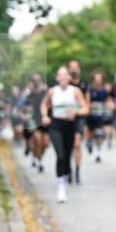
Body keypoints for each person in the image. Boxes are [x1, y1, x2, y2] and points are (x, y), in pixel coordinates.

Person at [40, 66, 89, 203]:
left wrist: (76, 112)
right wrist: (45, 115)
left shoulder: (75, 91)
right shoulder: (52, 91)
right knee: (60, 155)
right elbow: (44, 105)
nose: (62, 78)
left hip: (70, 126)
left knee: (67, 155)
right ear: (57, 78)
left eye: (65, 75)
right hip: (56, 125)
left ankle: (66, 175)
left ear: (69, 77)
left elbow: (85, 108)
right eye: (60, 75)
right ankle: (61, 184)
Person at [67, 59, 89, 184]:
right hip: (65, 118)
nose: (74, 69)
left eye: (76, 67)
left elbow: (87, 102)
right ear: (68, 69)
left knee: (77, 144)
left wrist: (85, 118)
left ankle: (77, 171)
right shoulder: (64, 83)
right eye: (72, 67)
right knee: (68, 146)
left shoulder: (84, 84)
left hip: (79, 117)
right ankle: (68, 169)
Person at [85, 70, 110, 163]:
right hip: (91, 115)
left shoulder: (104, 90)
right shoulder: (90, 89)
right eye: (96, 78)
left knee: (100, 134)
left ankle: (98, 152)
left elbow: (107, 101)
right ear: (93, 79)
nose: (98, 80)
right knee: (91, 133)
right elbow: (86, 103)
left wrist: (107, 105)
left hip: (101, 115)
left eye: (100, 78)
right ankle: (89, 142)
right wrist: (92, 105)